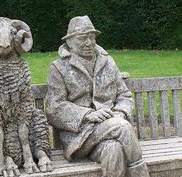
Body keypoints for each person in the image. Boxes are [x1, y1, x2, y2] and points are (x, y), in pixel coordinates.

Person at [46, 15, 150, 177]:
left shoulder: (107, 62)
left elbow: (124, 95)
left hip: (109, 130)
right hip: (79, 138)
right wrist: (88, 115)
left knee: (113, 149)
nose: (89, 43)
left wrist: (120, 113)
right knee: (122, 126)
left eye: (92, 37)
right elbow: (54, 108)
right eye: (82, 38)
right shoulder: (59, 68)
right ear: (70, 42)